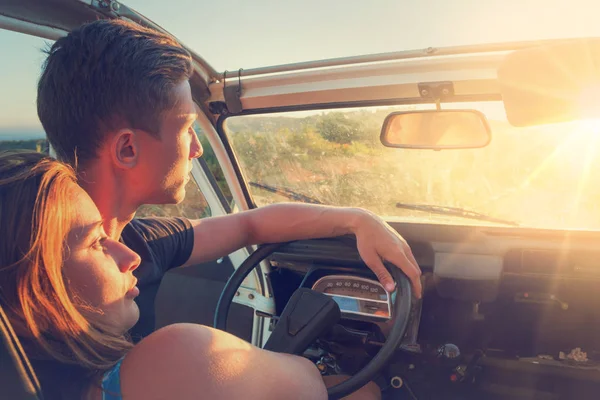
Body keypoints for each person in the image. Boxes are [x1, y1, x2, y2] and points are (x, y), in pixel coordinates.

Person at [36, 18, 422, 341]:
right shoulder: (29, 280)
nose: (196, 150)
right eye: (187, 129)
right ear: (127, 150)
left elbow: (248, 223)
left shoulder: (138, 241)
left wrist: (357, 219)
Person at [0, 150, 382, 400]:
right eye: (94, 242)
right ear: (25, 292)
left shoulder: (147, 238)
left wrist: (355, 220)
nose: (130, 256)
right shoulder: (174, 362)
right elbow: (309, 385)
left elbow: (249, 224)